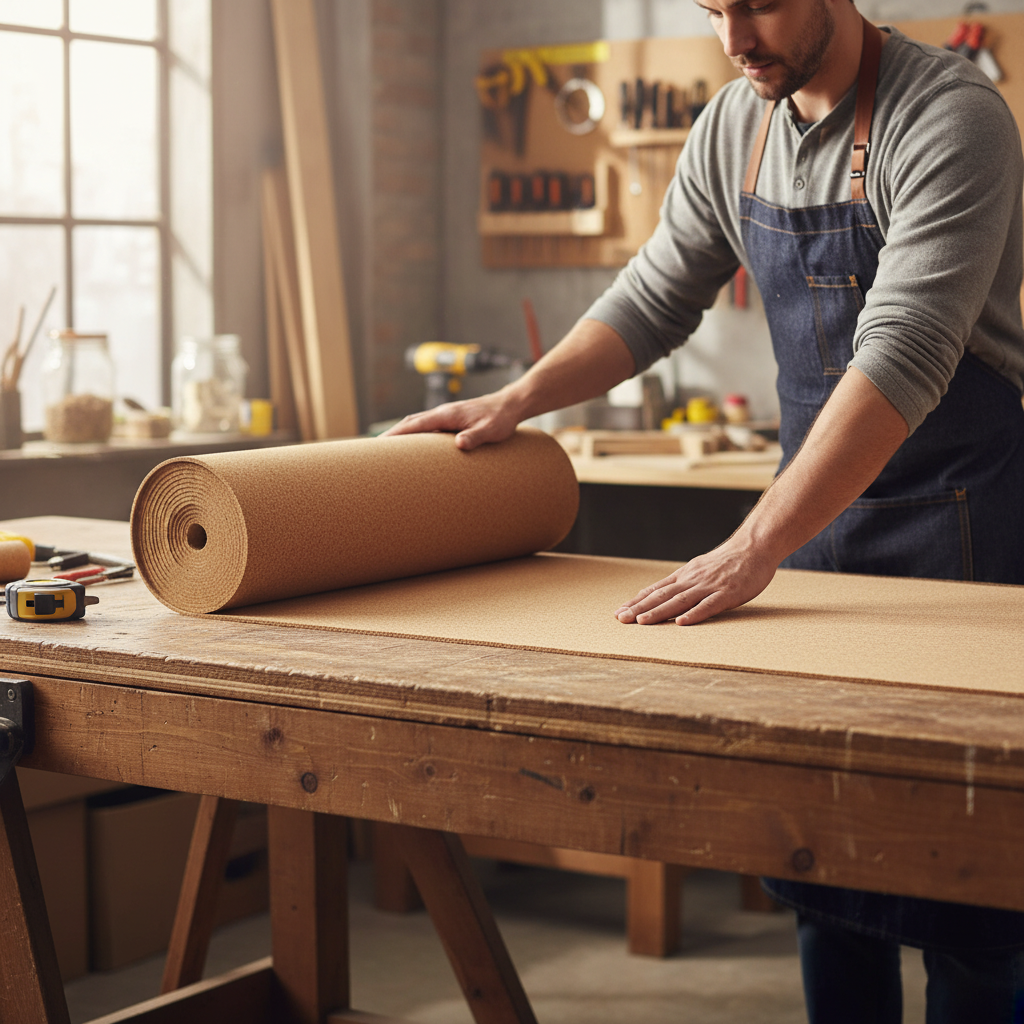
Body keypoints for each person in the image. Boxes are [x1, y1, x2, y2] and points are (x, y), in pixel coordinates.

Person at [387, 0, 1024, 1018]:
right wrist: (516, 399)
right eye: (712, 7)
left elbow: (901, 355)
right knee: (827, 865)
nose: (733, 40)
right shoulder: (735, 123)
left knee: (979, 894)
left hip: (958, 525)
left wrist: (753, 543)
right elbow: (651, 298)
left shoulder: (951, 116)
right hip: (817, 535)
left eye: (758, 3)